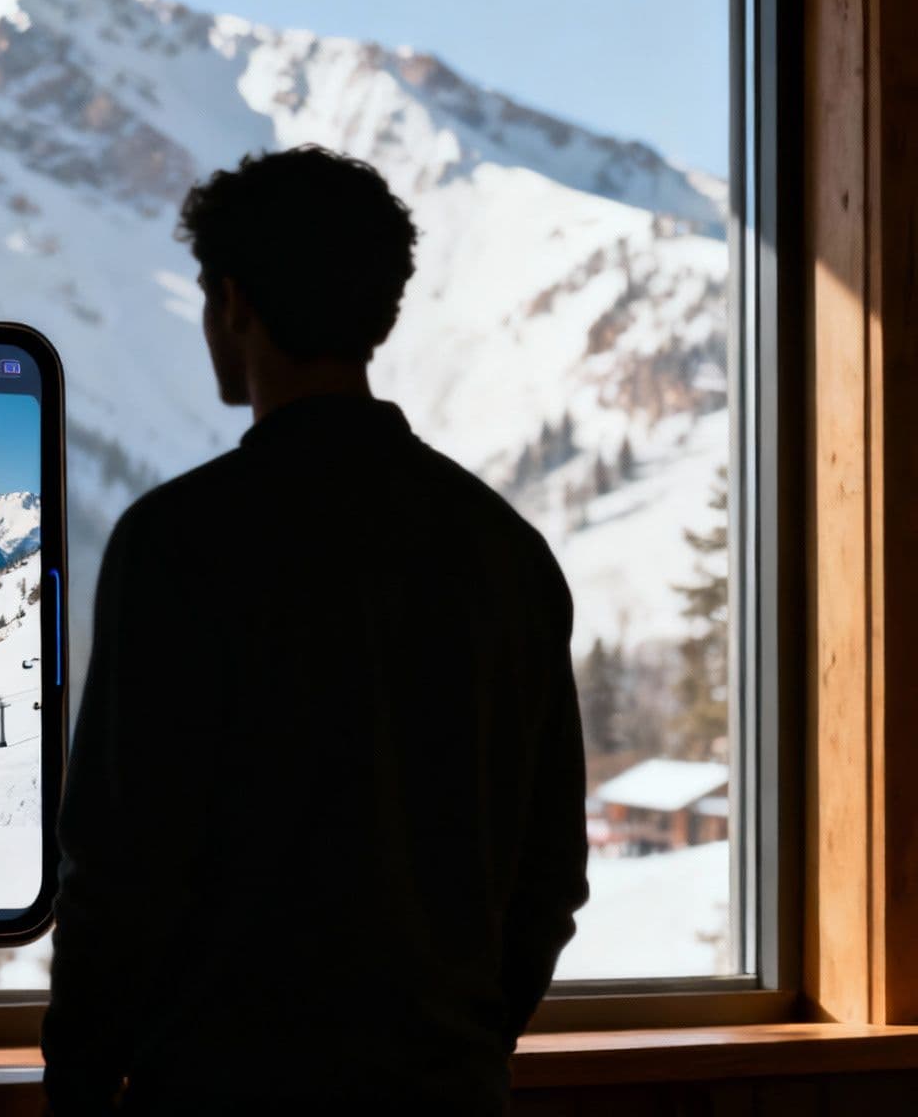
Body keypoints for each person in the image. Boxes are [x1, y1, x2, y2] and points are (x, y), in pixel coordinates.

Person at [42, 146, 590, 1114]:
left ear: (235, 304)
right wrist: (457, 1044)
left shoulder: (175, 547)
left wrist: (79, 1090)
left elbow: (116, 875)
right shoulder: (506, 554)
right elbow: (548, 876)